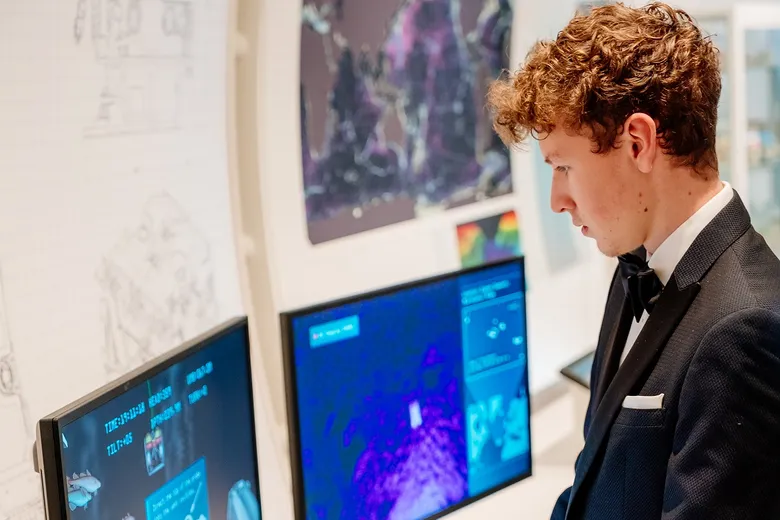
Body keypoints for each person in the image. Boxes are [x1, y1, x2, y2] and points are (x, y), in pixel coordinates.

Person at [487, 2, 780, 519]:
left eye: (563, 166)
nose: (557, 199)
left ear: (639, 143)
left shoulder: (745, 328)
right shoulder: (635, 267)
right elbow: (595, 473)